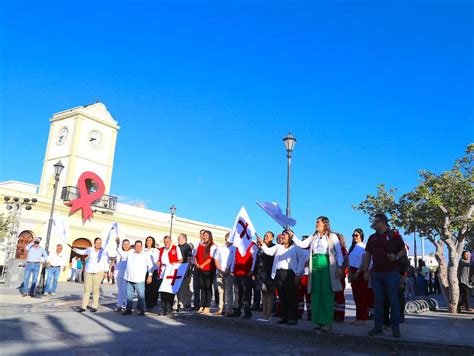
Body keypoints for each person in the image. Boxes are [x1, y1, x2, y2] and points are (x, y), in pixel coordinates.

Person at [290, 217, 344, 333]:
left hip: (326, 264)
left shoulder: (332, 236)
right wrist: (293, 235)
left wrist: (339, 267)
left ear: (325, 224)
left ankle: (326, 322)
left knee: (326, 293)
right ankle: (318, 321)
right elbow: (303, 244)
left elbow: (338, 252)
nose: (316, 224)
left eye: (318, 222)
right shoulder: (314, 236)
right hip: (314, 264)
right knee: (315, 293)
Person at [360, 213, 406, 338]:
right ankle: (377, 327)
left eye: (376, 222)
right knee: (378, 302)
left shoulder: (394, 235)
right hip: (376, 274)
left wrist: (395, 257)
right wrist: (366, 270)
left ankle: (395, 328)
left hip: (392, 273)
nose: (373, 224)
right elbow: (368, 254)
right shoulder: (372, 238)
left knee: (393, 301)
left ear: (383, 222)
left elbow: (403, 250)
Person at [258, 230, 305, 325]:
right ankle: (284, 317)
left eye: (285, 235)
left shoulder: (295, 248)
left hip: (290, 274)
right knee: (282, 297)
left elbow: (302, 258)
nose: (282, 236)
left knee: (291, 297)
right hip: (279, 274)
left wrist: (299, 274)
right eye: (282, 234)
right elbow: (269, 252)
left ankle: (292, 318)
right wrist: (262, 244)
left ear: (290, 236)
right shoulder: (278, 247)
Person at [73, 237, 110, 312]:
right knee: (87, 289)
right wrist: (75, 250)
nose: (98, 244)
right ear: (94, 243)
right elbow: (82, 252)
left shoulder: (104, 251)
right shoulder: (90, 249)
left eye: (99, 243)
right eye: (97, 243)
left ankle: (94, 306)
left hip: (99, 271)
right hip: (88, 271)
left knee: (96, 290)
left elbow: (105, 262)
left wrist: (106, 272)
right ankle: (83, 306)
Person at [121, 240, 154, 316]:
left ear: (142, 246)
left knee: (141, 296)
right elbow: (121, 252)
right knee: (129, 296)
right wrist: (118, 243)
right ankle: (128, 309)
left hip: (140, 279)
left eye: (139, 246)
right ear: (134, 246)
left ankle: (142, 310)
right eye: (137, 246)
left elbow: (151, 266)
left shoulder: (146, 255)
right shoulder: (130, 253)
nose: (138, 247)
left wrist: (150, 276)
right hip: (129, 278)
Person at [230, 237, 258, 319]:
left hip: (246, 272)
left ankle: (247, 311)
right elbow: (235, 257)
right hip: (237, 272)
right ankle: (237, 310)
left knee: (246, 293)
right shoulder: (238, 245)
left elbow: (254, 258)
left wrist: (252, 270)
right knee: (237, 292)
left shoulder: (252, 245)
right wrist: (232, 268)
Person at [348, 228, 370, 325]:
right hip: (352, 271)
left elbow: (364, 261)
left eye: (356, 235)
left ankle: (363, 317)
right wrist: (349, 272)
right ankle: (358, 317)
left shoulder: (364, 247)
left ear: (361, 236)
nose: (354, 237)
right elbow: (349, 261)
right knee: (356, 296)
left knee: (362, 296)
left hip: (359, 272)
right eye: (353, 235)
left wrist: (358, 272)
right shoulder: (352, 248)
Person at [157, 235, 183, 315]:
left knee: (170, 291)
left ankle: (169, 308)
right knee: (163, 291)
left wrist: (175, 263)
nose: (166, 244)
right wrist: (158, 262)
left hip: (171, 272)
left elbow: (181, 260)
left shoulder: (176, 248)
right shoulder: (161, 250)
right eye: (165, 242)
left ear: (171, 241)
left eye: (167, 242)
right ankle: (163, 308)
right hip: (163, 272)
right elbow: (158, 260)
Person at [195, 230, 218, 314]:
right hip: (200, 269)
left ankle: (207, 306)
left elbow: (211, 258)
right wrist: (197, 264)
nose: (204, 237)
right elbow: (196, 256)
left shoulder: (213, 246)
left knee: (208, 287)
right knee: (202, 287)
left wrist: (203, 265)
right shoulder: (200, 245)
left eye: (206, 235)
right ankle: (202, 305)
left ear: (210, 236)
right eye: (204, 235)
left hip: (208, 270)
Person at [255, 231, 276, 322]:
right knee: (263, 293)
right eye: (265, 236)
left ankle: (268, 314)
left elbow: (270, 258)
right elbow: (257, 260)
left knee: (269, 294)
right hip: (261, 274)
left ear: (272, 238)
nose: (265, 237)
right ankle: (263, 313)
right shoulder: (260, 248)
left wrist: (263, 246)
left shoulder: (273, 247)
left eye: (267, 236)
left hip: (268, 273)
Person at [215, 232, 235, 316]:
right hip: (219, 272)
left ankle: (229, 309)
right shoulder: (220, 248)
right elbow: (216, 259)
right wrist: (220, 270)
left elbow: (233, 261)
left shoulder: (234, 249)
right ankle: (221, 308)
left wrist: (227, 270)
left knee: (229, 291)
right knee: (221, 291)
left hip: (229, 273)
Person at [334, 232, 349, 322]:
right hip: (332, 274)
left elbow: (345, 262)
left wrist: (342, 271)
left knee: (339, 296)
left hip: (339, 275)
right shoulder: (331, 249)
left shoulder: (343, 250)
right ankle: (333, 314)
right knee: (333, 296)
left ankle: (340, 315)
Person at [114, 237, 132, 311]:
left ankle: (126, 305)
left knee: (125, 290)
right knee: (120, 290)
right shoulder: (118, 252)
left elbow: (123, 254)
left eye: (127, 244)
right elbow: (116, 262)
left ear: (129, 245)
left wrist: (117, 244)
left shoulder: (131, 252)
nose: (126, 246)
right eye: (124, 244)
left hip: (126, 274)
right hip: (119, 274)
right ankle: (119, 305)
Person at [176, 233, 193, 311]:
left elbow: (189, 260)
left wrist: (185, 271)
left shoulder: (187, 247)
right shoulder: (177, 247)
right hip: (176, 270)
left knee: (183, 289)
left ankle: (182, 304)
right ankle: (178, 303)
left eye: (179, 238)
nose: (178, 240)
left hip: (184, 270)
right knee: (177, 289)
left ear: (183, 239)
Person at [296, 236, 311, 321]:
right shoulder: (300, 250)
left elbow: (310, 261)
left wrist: (304, 263)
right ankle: (299, 312)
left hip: (308, 274)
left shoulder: (311, 250)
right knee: (299, 295)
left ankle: (310, 313)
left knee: (309, 296)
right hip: (300, 274)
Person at [144, 236, 160, 311]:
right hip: (144, 271)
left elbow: (155, 262)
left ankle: (151, 304)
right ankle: (147, 304)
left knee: (152, 289)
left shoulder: (155, 250)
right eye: (147, 240)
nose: (148, 242)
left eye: (150, 240)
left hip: (153, 271)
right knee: (146, 289)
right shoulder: (144, 250)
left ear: (153, 242)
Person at [192, 230, 206, 310]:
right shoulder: (197, 244)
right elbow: (194, 256)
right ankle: (196, 305)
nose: (202, 235)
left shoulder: (207, 245)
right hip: (196, 267)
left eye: (203, 234)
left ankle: (203, 305)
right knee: (196, 287)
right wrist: (196, 264)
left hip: (203, 268)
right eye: (200, 234)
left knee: (203, 287)